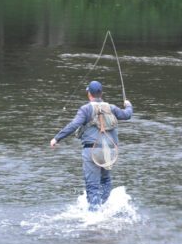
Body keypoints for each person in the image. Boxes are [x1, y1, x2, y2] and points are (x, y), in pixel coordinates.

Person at [50, 80, 133, 210]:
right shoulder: (111, 108)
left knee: (92, 186)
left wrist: (56, 138)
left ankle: (94, 217)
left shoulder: (85, 109)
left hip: (91, 151)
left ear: (89, 94)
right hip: (109, 151)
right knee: (105, 181)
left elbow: (73, 125)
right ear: (101, 93)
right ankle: (102, 208)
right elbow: (127, 115)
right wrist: (128, 105)